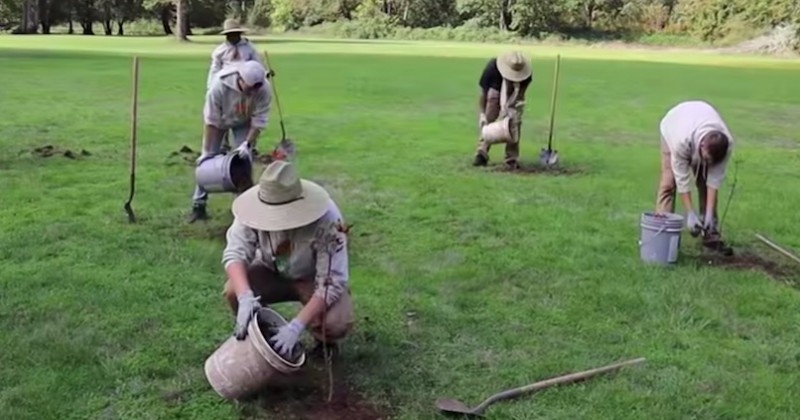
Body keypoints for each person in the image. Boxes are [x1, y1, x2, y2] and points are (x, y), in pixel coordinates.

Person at [220, 160, 355, 358]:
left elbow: (331, 282)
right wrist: (245, 297)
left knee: (335, 322)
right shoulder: (251, 210)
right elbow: (235, 252)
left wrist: (296, 326)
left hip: (312, 278)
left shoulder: (327, 220)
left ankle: (325, 344)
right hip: (270, 270)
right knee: (233, 290)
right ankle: (262, 334)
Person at [189, 60, 272, 223]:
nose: (253, 93)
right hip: (219, 120)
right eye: (250, 89)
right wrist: (206, 151)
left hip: (243, 121)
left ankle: (243, 209)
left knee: (244, 162)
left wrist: (247, 144)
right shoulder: (219, 86)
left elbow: (259, 120)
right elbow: (211, 121)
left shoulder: (263, 89)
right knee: (205, 163)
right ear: (240, 80)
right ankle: (198, 205)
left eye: (257, 89)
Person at [656, 100, 734, 253]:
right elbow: (682, 180)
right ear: (702, 145)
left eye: (711, 162)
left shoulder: (726, 145)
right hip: (673, 125)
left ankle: (710, 232)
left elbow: (714, 180)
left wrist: (709, 213)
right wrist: (690, 213)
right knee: (669, 183)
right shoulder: (680, 141)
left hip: (697, 119)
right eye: (706, 159)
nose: (707, 163)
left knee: (704, 181)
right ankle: (662, 231)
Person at [473, 50, 532, 169]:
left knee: (515, 123)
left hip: (514, 91)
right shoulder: (492, 68)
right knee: (490, 115)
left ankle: (511, 159)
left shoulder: (526, 75)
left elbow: (520, 94)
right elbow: (483, 93)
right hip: (494, 90)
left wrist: (514, 110)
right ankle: (482, 152)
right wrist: (482, 114)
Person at [207, 19, 267, 90]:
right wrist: (211, 86)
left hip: (246, 82)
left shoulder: (249, 47)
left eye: (235, 34)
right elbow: (215, 69)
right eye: (229, 35)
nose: (232, 37)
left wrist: (265, 73)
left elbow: (257, 64)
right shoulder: (220, 51)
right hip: (226, 82)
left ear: (239, 34)